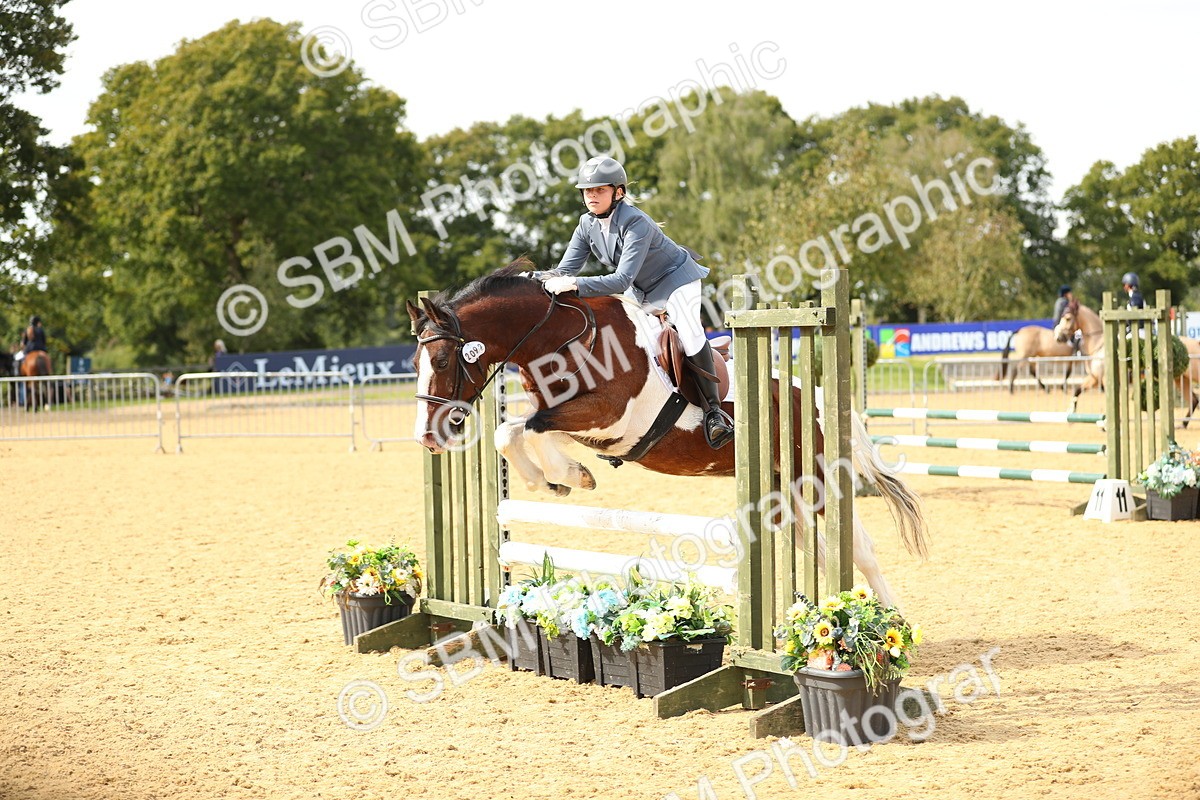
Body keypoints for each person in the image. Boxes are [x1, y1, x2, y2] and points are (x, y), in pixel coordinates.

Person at [538, 156, 734, 449]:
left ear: (618, 192)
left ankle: (714, 414)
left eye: (599, 190)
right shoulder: (586, 224)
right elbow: (564, 270)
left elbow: (620, 280)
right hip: (642, 290)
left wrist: (576, 284)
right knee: (631, 339)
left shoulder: (636, 222)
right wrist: (533, 279)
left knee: (690, 334)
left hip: (676, 280)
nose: (591, 195)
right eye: (587, 191)